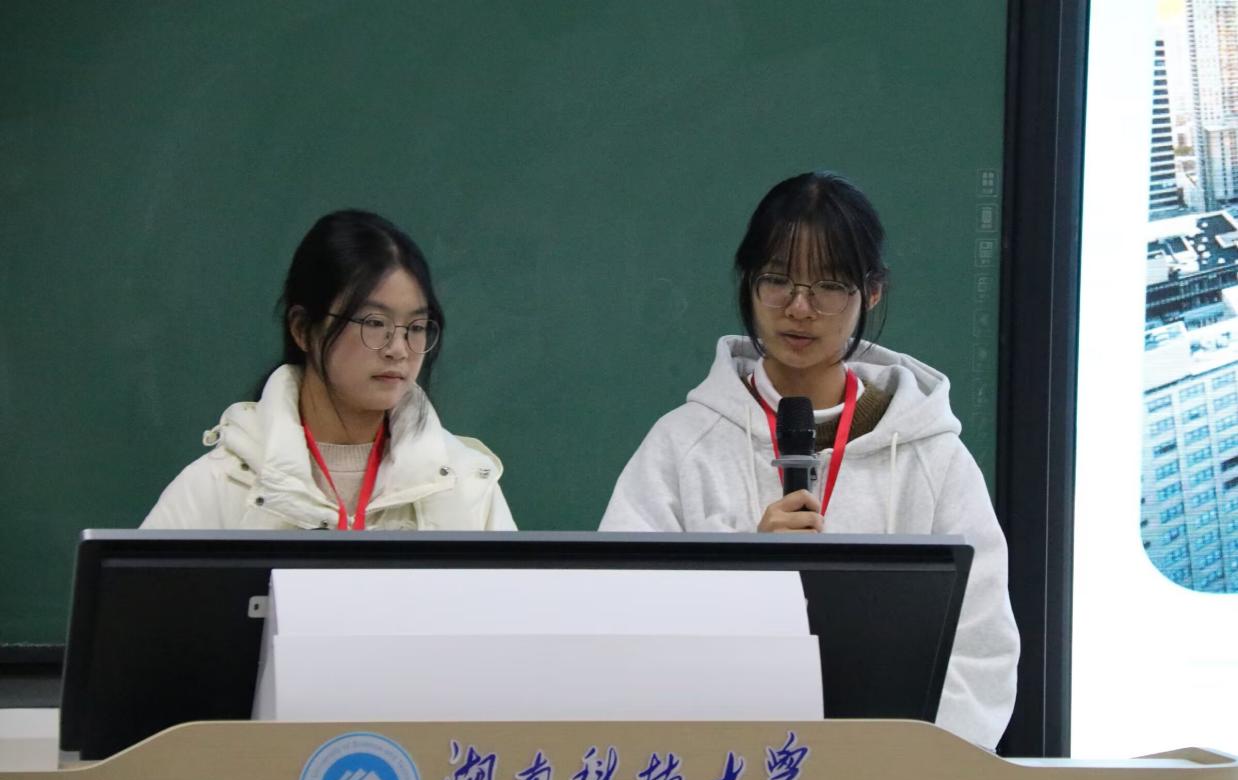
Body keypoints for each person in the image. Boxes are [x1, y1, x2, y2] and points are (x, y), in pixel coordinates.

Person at [600, 172, 1018, 748]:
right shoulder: (682, 444)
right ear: (748, 282)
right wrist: (742, 576)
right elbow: (619, 626)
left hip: (885, 779)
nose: (799, 309)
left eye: (829, 286)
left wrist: (896, 769)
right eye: (777, 281)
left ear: (872, 291)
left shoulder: (931, 456)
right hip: (723, 777)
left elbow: (981, 652)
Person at [142, 209, 515, 531]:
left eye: (416, 327)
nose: (399, 349)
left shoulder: (467, 486)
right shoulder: (221, 485)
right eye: (374, 323)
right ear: (303, 329)